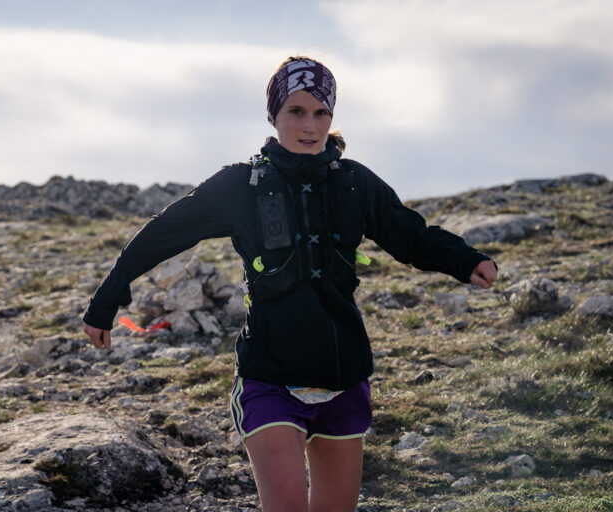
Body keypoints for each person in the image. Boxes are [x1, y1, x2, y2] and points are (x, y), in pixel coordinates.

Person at [82, 56, 498, 512]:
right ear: (274, 114)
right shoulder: (240, 185)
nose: (310, 125)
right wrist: (106, 301)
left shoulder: (355, 182)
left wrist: (466, 260)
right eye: (296, 111)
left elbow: (411, 236)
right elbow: (161, 234)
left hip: (344, 376)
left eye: (321, 112)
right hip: (269, 377)